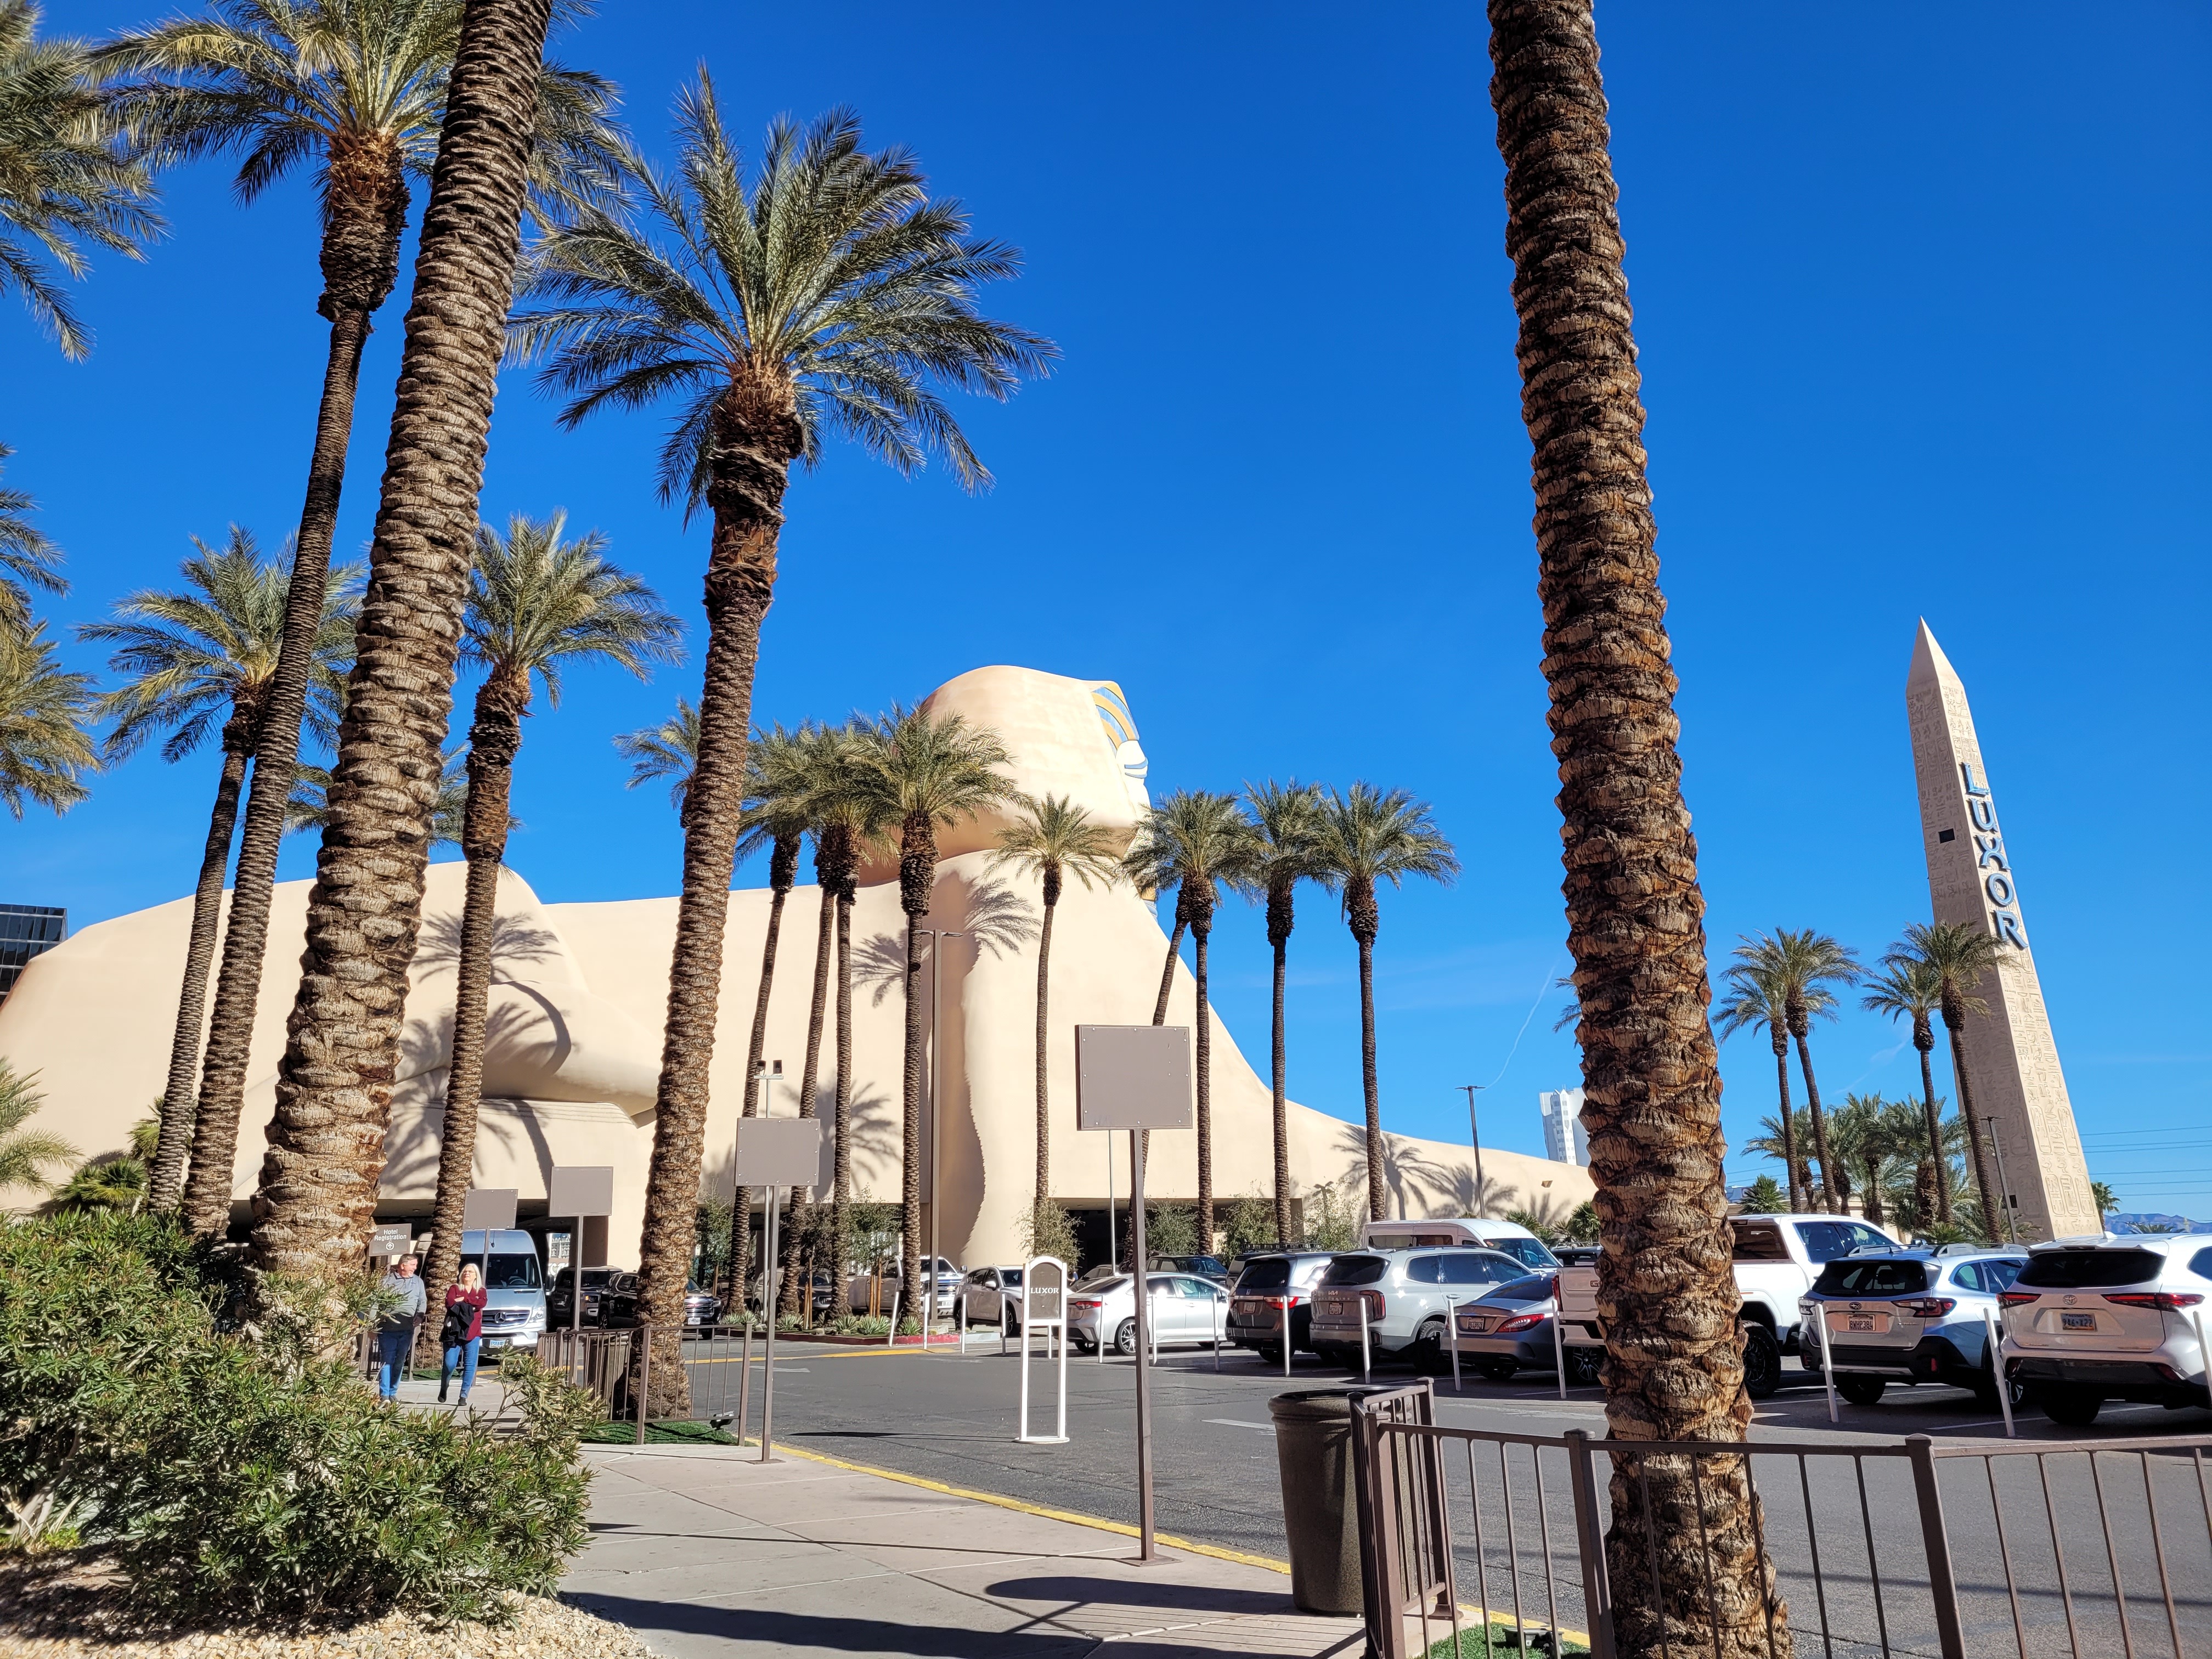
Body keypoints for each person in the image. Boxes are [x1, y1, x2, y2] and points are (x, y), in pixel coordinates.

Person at [375, 1252, 426, 1400]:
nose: (415, 1268)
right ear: (402, 1265)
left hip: (407, 1329)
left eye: (416, 1265)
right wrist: (372, 1325)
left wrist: (420, 1315)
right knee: (387, 1360)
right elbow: (376, 1302)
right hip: (387, 1328)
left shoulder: (418, 1282)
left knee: (399, 1361)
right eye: (413, 1265)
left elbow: (422, 1301)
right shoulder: (386, 1281)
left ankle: (393, 1392)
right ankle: (384, 1394)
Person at [441, 1262, 488, 1405]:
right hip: (454, 1332)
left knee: (470, 1364)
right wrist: (470, 1306)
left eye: (470, 1272)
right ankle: (445, 1385)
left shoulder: (481, 1291)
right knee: (450, 1363)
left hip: (473, 1332)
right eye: (465, 1271)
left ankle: (464, 1395)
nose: (467, 1274)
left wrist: (464, 1300)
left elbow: (481, 1304)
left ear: (476, 1276)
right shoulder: (455, 1288)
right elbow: (450, 1303)